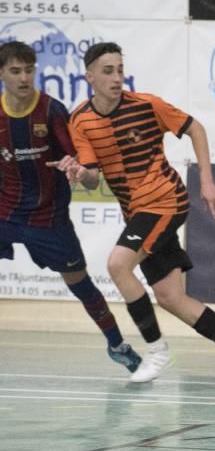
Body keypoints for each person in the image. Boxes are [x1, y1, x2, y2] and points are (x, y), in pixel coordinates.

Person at [64, 42, 215, 386]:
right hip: (137, 211)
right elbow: (92, 175)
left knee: (117, 264)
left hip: (164, 200)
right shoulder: (81, 120)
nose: (117, 78)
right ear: (89, 77)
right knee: (172, 298)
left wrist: (207, 180)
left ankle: (157, 351)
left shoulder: (147, 105)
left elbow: (196, 128)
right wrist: (79, 174)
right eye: (107, 71)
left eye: (119, 69)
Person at [0, 41, 142, 373]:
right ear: (2, 74)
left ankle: (117, 344)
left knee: (80, 284)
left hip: (48, 218)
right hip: (4, 212)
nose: (24, 77)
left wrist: (76, 168)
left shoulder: (52, 110)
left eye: (29, 70)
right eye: (15, 71)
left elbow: (85, 166)